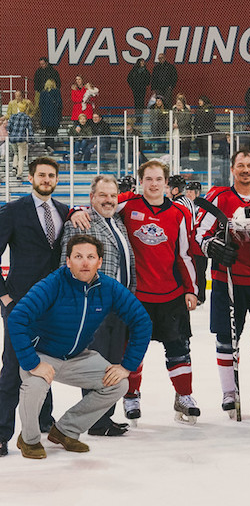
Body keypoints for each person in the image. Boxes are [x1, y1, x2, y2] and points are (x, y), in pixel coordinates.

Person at [71, 160, 201, 424]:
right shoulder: (128, 204)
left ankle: (184, 395)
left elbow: (184, 255)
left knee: (178, 349)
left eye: (159, 179)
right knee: (132, 350)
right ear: (141, 182)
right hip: (136, 297)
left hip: (171, 295)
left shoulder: (178, 213)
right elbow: (98, 205)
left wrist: (192, 289)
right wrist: (74, 210)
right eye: (149, 179)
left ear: (166, 183)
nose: (154, 184)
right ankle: (131, 396)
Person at [7, 234, 152, 459]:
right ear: (68, 261)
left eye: (90, 257)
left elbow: (141, 320)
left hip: (78, 357)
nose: (85, 262)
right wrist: (32, 363)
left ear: (100, 262)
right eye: (78, 256)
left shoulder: (108, 288)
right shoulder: (53, 284)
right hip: (42, 355)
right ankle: (29, 439)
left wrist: (127, 365)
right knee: (35, 386)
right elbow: (17, 318)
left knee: (118, 384)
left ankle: (65, 430)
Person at [195, 149, 250, 416]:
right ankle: (229, 392)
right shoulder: (220, 197)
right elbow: (199, 231)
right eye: (241, 165)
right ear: (232, 169)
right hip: (227, 280)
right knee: (226, 338)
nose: (246, 170)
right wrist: (214, 247)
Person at [58, 176, 137, 437]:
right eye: (103, 195)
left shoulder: (117, 223)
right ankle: (94, 421)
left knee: (112, 364)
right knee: (96, 365)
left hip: (119, 307)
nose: (108, 200)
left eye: (113, 196)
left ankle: (104, 418)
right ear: (91, 198)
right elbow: (66, 267)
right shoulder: (82, 222)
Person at [0, 157, 67, 458]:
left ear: (56, 180)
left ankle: (43, 420)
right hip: (21, 304)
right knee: (14, 369)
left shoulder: (65, 212)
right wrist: (5, 299)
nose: (46, 179)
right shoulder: (13, 211)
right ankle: (2, 433)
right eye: (41, 175)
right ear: (30, 178)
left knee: (46, 364)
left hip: (52, 306)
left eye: (51, 175)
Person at [7, 111, 33, 179]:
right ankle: (19, 174)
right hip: (21, 139)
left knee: (15, 153)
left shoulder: (13, 116)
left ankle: (14, 167)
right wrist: (31, 140)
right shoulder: (27, 118)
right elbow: (30, 130)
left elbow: (8, 127)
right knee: (21, 157)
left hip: (13, 138)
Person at [38, 78, 62, 148]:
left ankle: (46, 145)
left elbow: (40, 104)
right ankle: (51, 145)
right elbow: (60, 103)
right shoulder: (57, 91)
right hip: (54, 114)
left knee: (47, 131)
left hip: (45, 115)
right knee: (53, 131)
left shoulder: (43, 92)